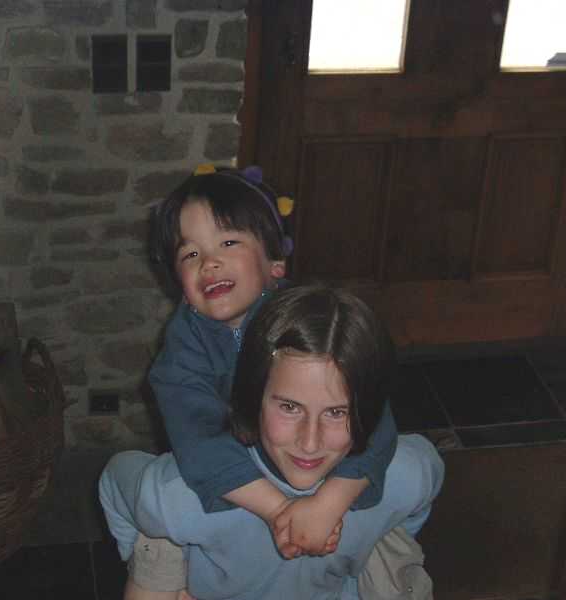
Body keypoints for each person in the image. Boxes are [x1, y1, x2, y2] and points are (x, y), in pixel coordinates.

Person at [99, 285, 445, 599]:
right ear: (254, 396)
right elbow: (115, 484)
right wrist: (161, 567)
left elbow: (116, 482)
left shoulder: (404, 477)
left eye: (336, 412)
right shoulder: (185, 498)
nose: (310, 442)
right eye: (290, 407)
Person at [147, 165, 399, 562]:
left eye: (228, 242)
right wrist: (281, 512)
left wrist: (332, 501)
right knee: (162, 508)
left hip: (319, 463)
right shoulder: (182, 350)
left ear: (275, 265)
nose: (208, 263)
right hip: (240, 476)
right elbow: (196, 437)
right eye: (190, 254)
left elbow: (374, 416)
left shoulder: (310, 324)